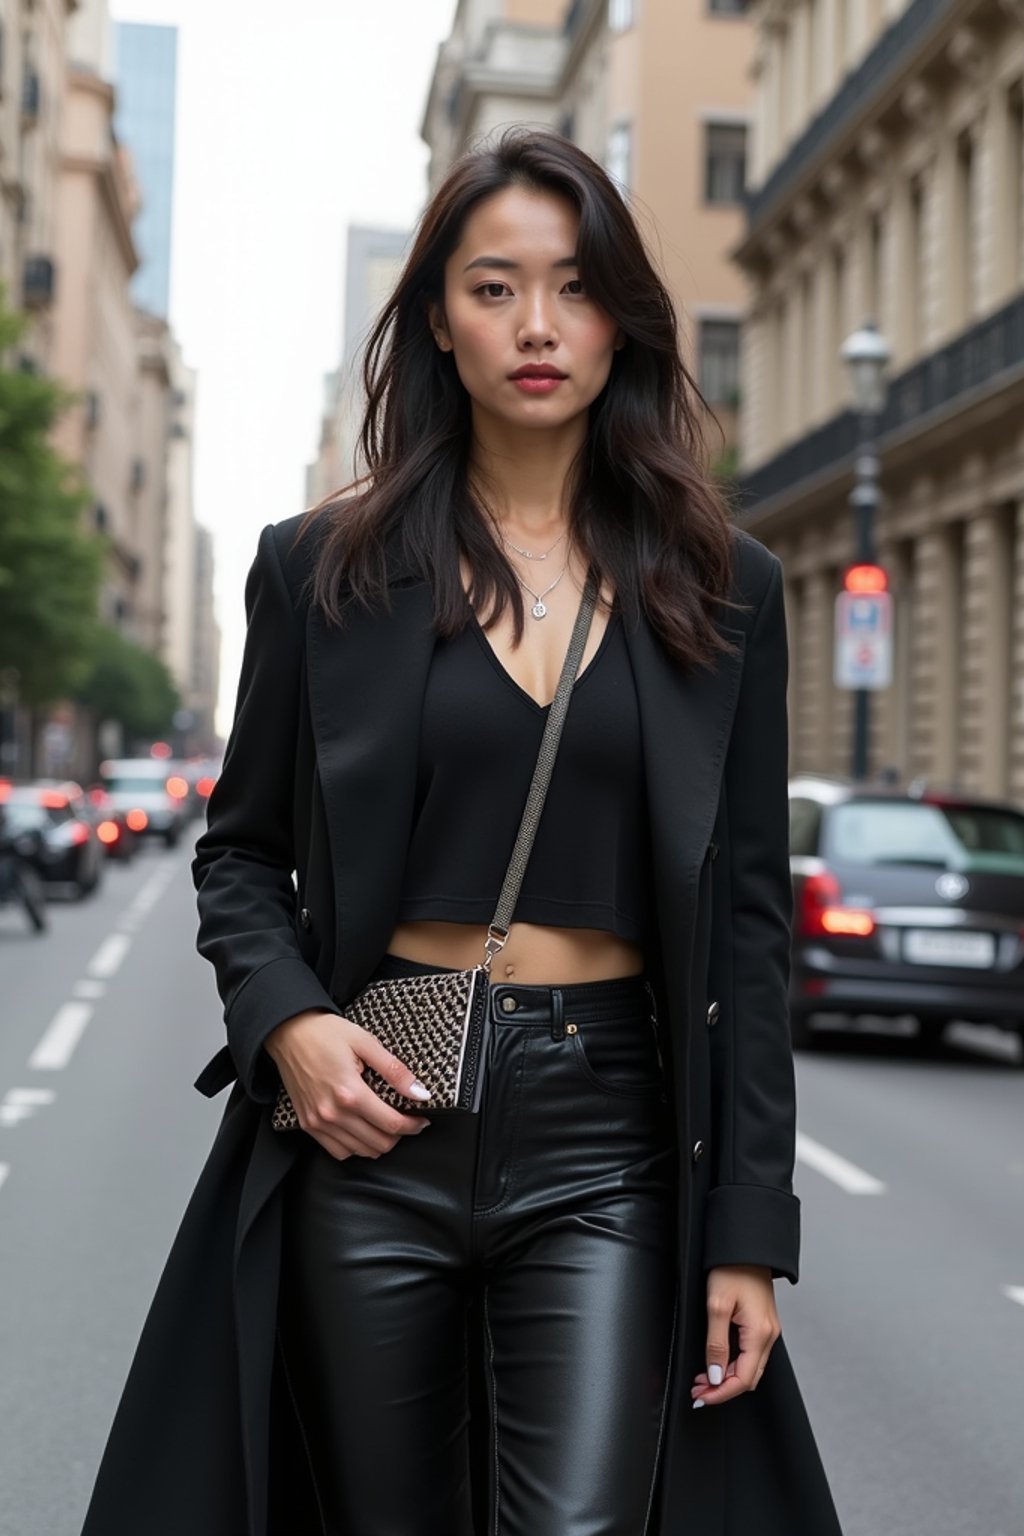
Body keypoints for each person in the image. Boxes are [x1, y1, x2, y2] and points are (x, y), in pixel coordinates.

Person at [81, 128, 843, 1536]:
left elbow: (749, 922)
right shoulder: (323, 569)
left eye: (572, 286)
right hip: (377, 1123)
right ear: (438, 316)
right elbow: (240, 852)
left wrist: (750, 1237)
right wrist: (290, 1025)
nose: (537, 325)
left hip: (607, 1135)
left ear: (623, 314)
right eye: (494, 288)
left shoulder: (725, 586)